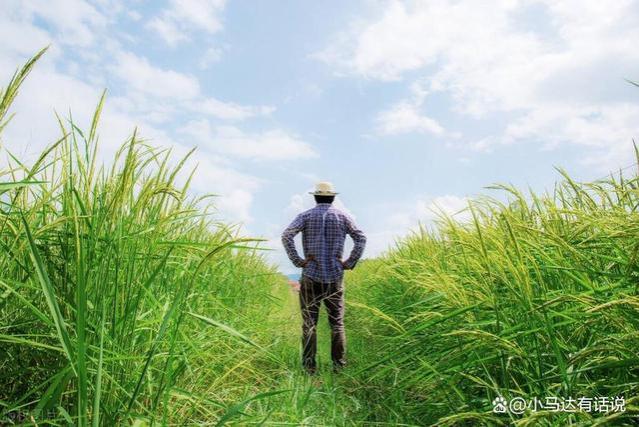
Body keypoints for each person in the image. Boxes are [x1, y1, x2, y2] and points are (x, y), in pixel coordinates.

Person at [281, 181, 366, 374]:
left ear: (315, 196)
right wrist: (349, 262)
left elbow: (287, 235)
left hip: (311, 275)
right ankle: (339, 367)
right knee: (337, 323)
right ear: (333, 197)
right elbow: (361, 238)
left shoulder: (305, 216)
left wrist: (298, 261)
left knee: (310, 323)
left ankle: (309, 368)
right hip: (335, 276)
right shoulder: (343, 217)